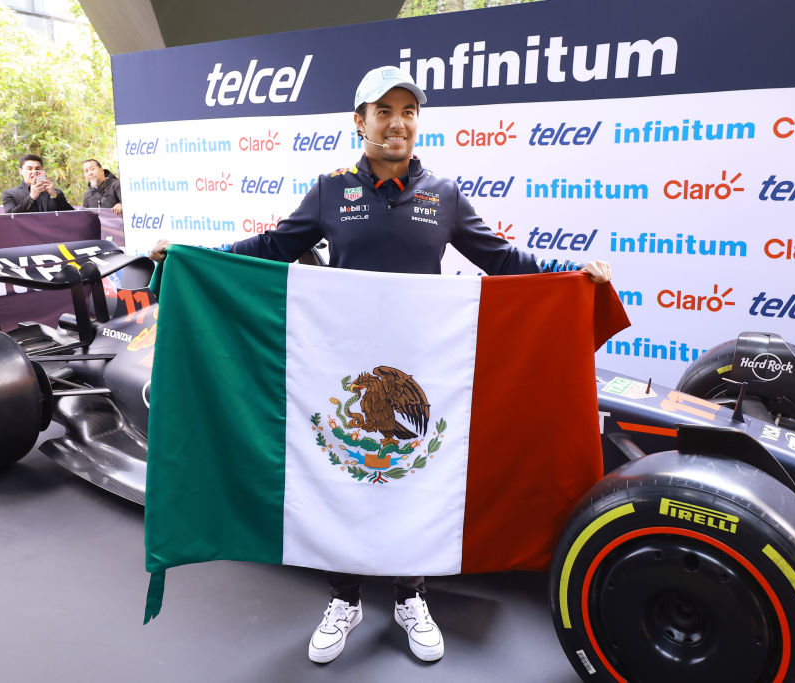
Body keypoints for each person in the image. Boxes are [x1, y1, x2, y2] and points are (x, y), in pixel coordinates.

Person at [150, 65, 612, 665]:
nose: (398, 123)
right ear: (360, 121)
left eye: (409, 112)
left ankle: (410, 596)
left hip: (421, 373)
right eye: (384, 111)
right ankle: (343, 598)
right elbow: (271, 249)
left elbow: (500, 259)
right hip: (343, 371)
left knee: (412, 478)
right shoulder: (329, 189)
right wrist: (194, 257)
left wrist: (570, 275)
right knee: (342, 475)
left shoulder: (442, 194)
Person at [2, 154, 74, 213]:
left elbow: (72, 214)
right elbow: (10, 217)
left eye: (38, 169)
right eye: (29, 169)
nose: (34, 172)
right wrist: (31, 197)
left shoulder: (56, 192)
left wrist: (54, 194)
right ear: (20, 171)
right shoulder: (10, 194)